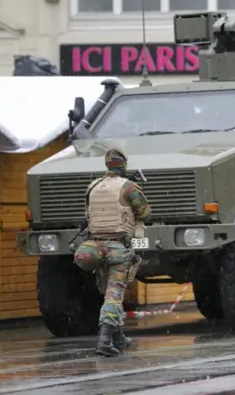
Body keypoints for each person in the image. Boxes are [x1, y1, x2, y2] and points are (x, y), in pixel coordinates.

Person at [73, 148, 151, 357]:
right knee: (114, 295)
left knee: (107, 293)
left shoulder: (93, 187)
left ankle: (119, 338)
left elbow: (88, 215)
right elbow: (145, 213)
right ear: (123, 165)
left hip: (96, 247)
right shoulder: (128, 187)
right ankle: (104, 341)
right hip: (118, 248)